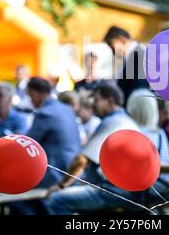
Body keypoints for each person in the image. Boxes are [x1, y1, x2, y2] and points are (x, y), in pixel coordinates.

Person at [44, 82, 143, 215]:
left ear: (110, 101)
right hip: (130, 192)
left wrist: (61, 185)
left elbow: (82, 160)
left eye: (96, 100)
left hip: (113, 192)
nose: (93, 104)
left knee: (56, 200)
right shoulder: (126, 120)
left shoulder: (113, 122)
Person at [26, 77, 81, 188]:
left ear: (35, 93)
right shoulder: (66, 108)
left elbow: (27, 143)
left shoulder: (45, 113)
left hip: (56, 175)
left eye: (30, 96)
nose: (30, 101)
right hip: (74, 172)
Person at [104, 26, 148, 102]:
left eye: (112, 47)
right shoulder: (131, 56)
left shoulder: (138, 55)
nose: (113, 52)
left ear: (122, 40)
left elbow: (139, 92)